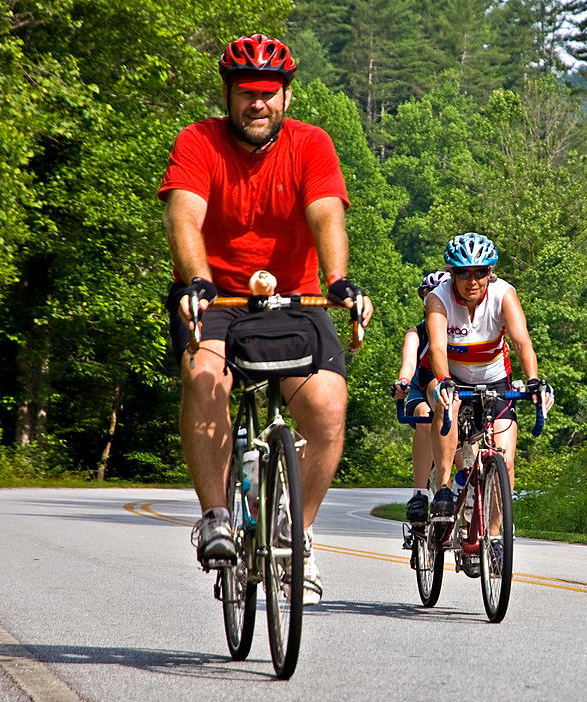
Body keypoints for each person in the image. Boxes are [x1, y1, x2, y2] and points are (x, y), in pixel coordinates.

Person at [159, 34, 373, 605]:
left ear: (286, 97)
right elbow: (184, 215)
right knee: (204, 376)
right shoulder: (198, 142)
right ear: (229, 95)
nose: (259, 103)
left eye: (270, 93)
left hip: (297, 299)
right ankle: (216, 518)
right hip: (218, 300)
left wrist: (338, 282)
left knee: (328, 403)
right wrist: (196, 279)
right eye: (248, 92)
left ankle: (296, 535)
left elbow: (327, 215)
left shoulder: (311, 145)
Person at [424, 233, 552, 561]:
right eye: (463, 273)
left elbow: (523, 342)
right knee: (445, 401)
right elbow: (437, 347)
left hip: (496, 382)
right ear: (451, 273)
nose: (472, 280)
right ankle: (442, 486)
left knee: (505, 461)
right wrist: (444, 380)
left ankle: (494, 537)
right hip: (454, 380)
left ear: (490, 272)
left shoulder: (503, 294)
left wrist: (534, 380)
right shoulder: (438, 299)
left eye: (480, 272)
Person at [391, 271, 448, 525]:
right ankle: (420, 495)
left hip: (449, 389)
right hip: (420, 389)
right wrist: (402, 381)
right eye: (428, 297)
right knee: (425, 415)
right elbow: (409, 362)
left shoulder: (461, 330)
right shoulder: (417, 332)